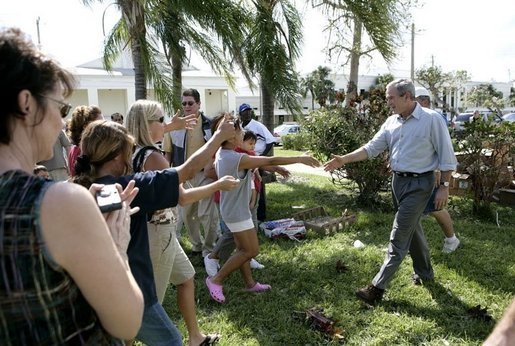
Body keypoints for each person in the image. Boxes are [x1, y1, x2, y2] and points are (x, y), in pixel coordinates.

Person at [0, 27, 143, 344]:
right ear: (26, 103)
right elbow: (127, 322)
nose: (63, 121)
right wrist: (117, 245)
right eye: (60, 107)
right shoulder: (60, 202)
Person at [73, 118, 235, 345]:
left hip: (97, 294)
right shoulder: (129, 187)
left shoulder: (87, 189)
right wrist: (219, 136)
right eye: (128, 151)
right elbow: (187, 171)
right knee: (172, 341)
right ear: (118, 155)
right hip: (132, 293)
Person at [324, 78, 457, 305]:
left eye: (391, 97)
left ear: (407, 96)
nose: (388, 102)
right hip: (398, 183)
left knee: (399, 235)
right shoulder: (391, 122)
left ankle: (376, 288)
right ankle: (425, 273)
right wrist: (343, 159)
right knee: (412, 229)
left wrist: (444, 186)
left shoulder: (431, 120)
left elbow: (447, 156)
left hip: (420, 184)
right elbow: (371, 148)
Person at [126, 99, 236, 346]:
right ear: (147, 124)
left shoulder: (132, 149)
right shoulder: (153, 157)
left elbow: (150, 132)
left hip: (156, 231)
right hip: (158, 234)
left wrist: (167, 127)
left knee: (186, 278)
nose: (166, 124)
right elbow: (183, 196)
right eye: (161, 120)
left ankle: (195, 337)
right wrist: (217, 183)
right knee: (146, 307)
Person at [205, 114, 320, 304]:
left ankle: (250, 284)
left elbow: (260, 162)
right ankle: (215, 280)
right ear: (231, 136)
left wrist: (276, 169)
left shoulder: (224, 153)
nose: (243, 132)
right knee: (250, 251)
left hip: (233, 209)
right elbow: (269, 160)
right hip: (236, 212)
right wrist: (300, 158)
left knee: (242, 248)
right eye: (239, 129)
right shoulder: (234, 157)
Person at [162, 88, 219, 257]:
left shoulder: (209, 124)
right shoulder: (174, 126)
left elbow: (217, 149)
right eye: (184, 103)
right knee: (187, 215)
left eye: (190, 103)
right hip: (183, 176)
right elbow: (168, 153)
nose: (187, 106)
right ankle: (197, 245)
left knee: (207, 214)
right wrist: (167, 176)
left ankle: (209, 249)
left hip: (204, 174)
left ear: (199, 104)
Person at [415, 87, 460, 254]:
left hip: (432, 173)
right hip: (419, 175)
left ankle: (451, 239)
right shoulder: (415, 118)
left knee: (436, 208)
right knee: (421, 210)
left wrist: (440, 176)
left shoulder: (434, 118)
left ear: (425, 101)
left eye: (415, 99)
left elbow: (442, 149)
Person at [238, 103, 277, 222]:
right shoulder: (239, 127)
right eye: (245, 111)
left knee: (258, 187)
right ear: (240, 114)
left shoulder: (257, 125)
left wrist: (261, 158)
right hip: (244, 160)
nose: (248, 113)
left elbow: (270, 141)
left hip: (256, 160)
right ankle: (247, 213)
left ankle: (260, 216)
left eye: (249, 111)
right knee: (246, 187)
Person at [67, 104, 103, 176]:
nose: (104, 127)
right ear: (86, 126)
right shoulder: (82, 151)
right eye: (99, 124)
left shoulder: (75, 149)